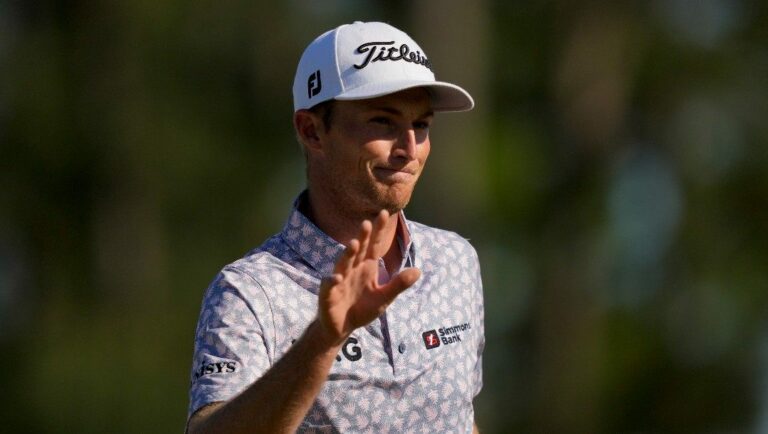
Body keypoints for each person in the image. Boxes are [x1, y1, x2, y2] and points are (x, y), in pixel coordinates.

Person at [186, 21, 485, 434]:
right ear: (312, 131)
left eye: (422, 125)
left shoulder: (455, 260)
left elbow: (461, 419)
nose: (410, 149)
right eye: (383, 122)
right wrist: (322, 340)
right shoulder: (250, 292)